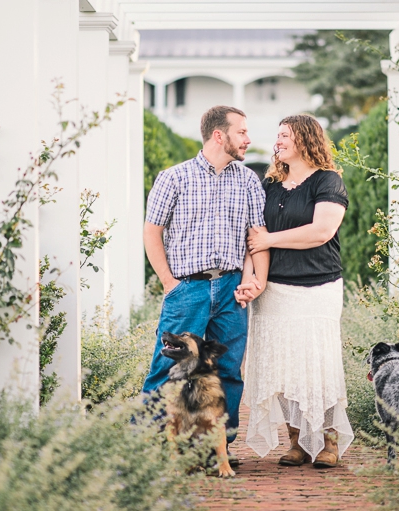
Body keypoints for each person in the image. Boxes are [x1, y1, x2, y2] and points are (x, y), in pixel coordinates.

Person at [142, 105, 269, 459]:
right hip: (187, 289)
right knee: (166, 368)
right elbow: (152, 232)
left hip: (231, 291)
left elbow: (255, 237)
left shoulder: (248, 181)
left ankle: (217, 451)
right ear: (219, 135)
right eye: (241, 132)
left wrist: (251, 281)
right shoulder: (173, 178)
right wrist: (169, 283)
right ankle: (150, 449)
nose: (248, 139)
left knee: (228, 371)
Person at [240, 114, 353, 469]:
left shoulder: (328, 181)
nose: (278, 141)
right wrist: (251, 282)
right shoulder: (270, 185)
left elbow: (320, 231)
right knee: (283, 367)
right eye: (277, 136)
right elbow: (253, 240)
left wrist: (270, 238)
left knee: (319, 363)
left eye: (285, 135)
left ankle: (328, 441)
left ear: (305, 139)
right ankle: (298, 442)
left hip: (319, 286)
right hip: (275, 290)